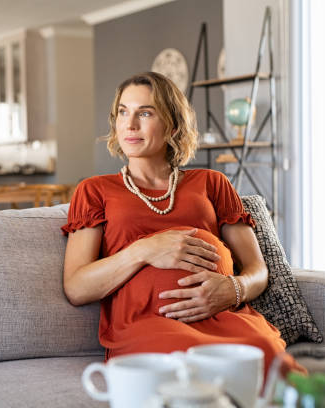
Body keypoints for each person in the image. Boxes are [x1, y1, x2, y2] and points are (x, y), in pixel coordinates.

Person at [61, 71, 301, 375]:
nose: (130, 124)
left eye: (145, 113)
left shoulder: (212, 182)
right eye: (123, 112)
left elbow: (258, 270)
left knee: (276, 369)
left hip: (223, 316)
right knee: (192, 375)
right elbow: (76, 287)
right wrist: (144, 250)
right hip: (149, 324)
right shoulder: (95, 190)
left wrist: (233, 288)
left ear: (172, 125)